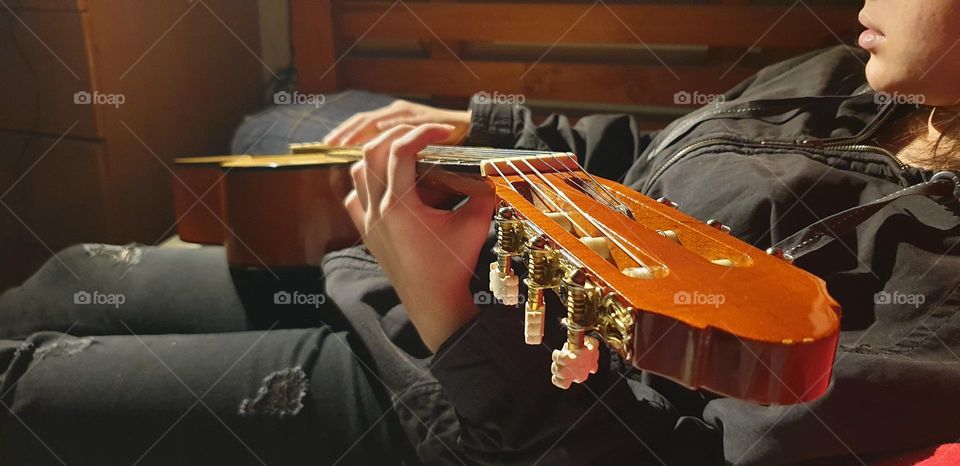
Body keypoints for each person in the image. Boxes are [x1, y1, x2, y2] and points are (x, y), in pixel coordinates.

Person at [2, 0, 959, 464]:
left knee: (30, 387)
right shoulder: (853, 78)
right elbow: (643, 158)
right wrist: (483, 129)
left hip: (468, 401)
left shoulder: (937, 300)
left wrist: (451, 317)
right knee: (77, 272)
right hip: (439, 282)